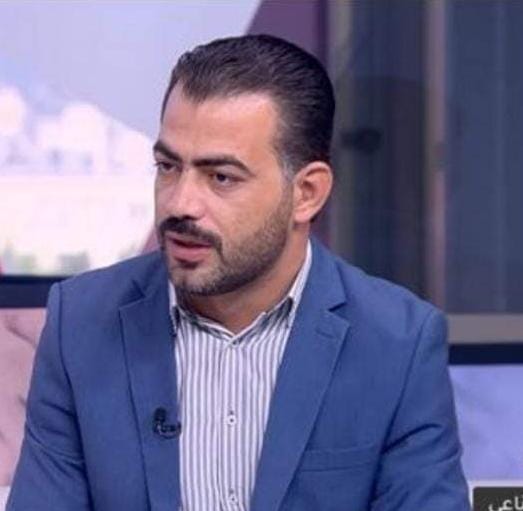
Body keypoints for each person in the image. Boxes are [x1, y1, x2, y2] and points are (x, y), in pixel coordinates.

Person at [7, 34, 470, 511]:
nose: (180, 203)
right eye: (168, 166)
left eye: (221, 177)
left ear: (307, 193)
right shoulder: (81, 322)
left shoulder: (397, 341)